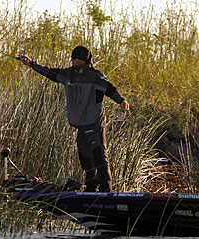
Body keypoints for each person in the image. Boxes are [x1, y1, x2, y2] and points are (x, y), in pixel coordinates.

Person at [21, 46, 129, 192]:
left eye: (74, 58)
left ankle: (106, 192)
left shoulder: (95, 76)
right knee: (85, 160)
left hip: (94, 124)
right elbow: (50, 73)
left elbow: (110, 89)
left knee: (100, 159)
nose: (71, 60)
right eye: (72, 58)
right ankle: (90, 190)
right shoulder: (68, 74)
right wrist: (31, 64)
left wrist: (121, 100)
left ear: (83, 60)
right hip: (80, 126)